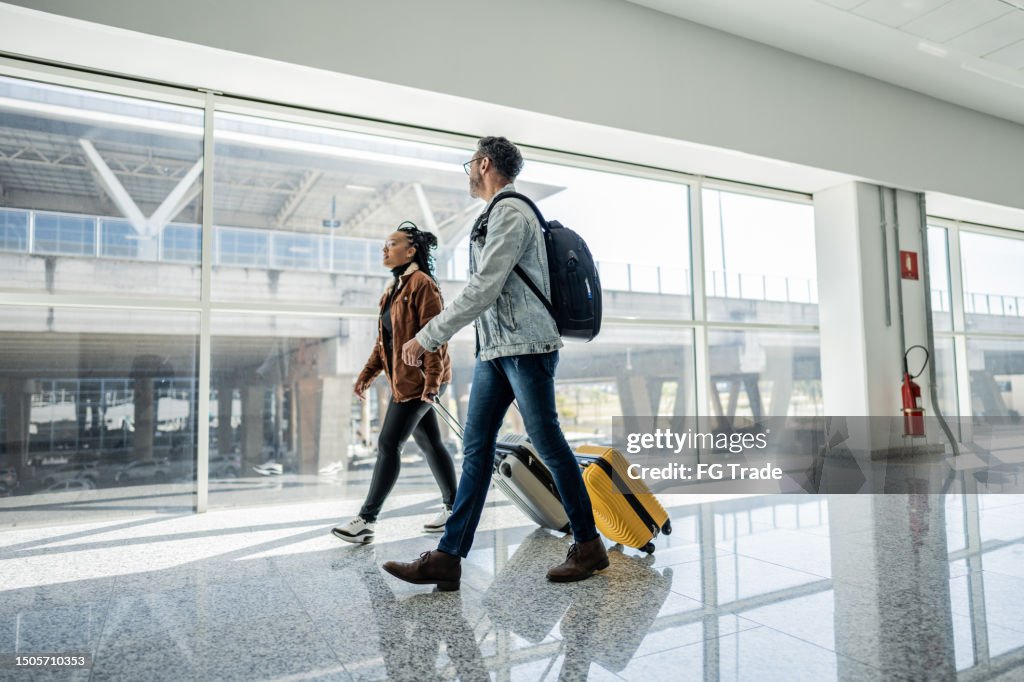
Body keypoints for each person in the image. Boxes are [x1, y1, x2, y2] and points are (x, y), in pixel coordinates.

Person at [383, 136, 607, 589]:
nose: (469, 172)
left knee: (547, 443)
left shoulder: (510, 212)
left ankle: (589, 545)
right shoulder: (495, 214)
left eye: (471, 164)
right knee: (476, 450)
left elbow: (485, 287)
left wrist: (427, 336)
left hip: (525, 349)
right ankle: (448, 557)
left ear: (484, 164)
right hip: (497, 351)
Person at [331, 223, 457, 544]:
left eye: (391, 244)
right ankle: (455, 509)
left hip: (419, 382)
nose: (384, 250)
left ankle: (367, 520)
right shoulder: (393, 290)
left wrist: (431, 382)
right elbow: (382, 344)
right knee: (430, 443)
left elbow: (434, 336)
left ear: (411, 250)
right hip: (404, 382)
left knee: (388, 445)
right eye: (384, 245)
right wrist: (365, 377)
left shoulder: (422, 285)